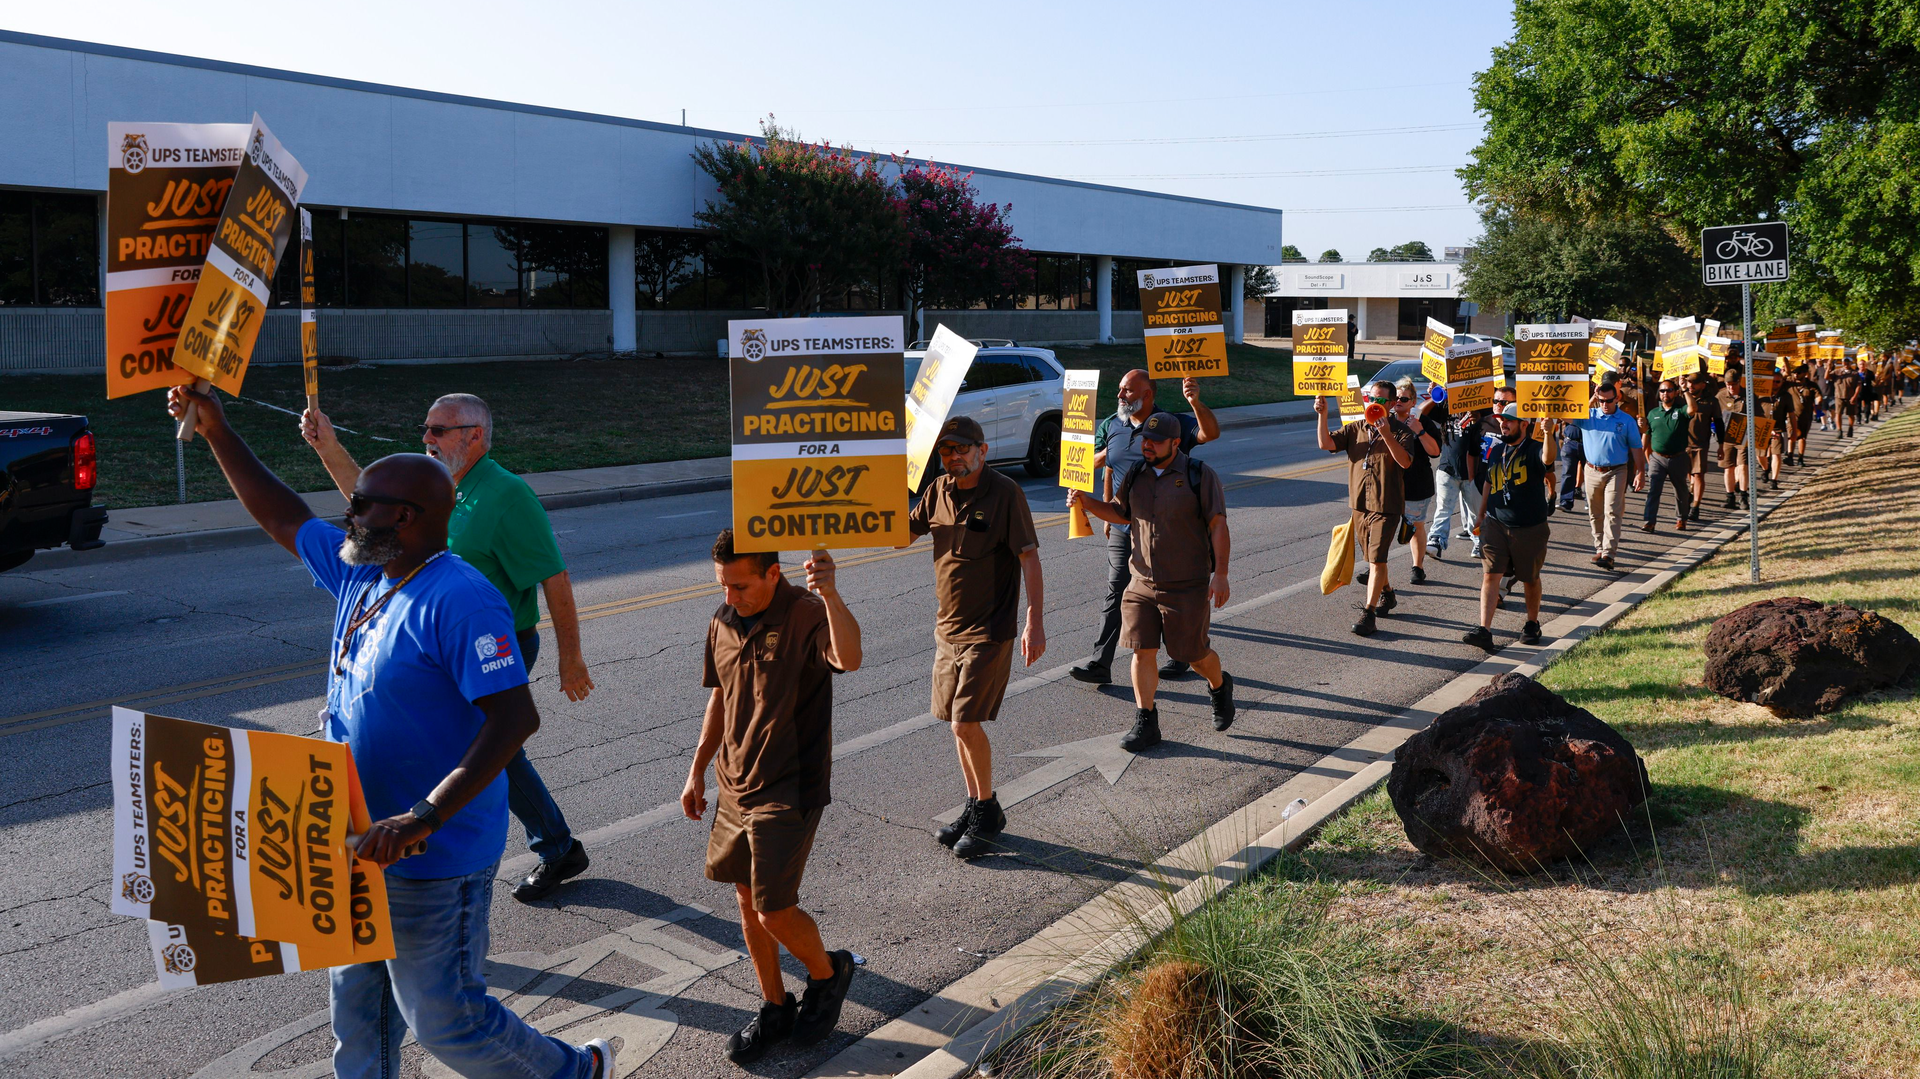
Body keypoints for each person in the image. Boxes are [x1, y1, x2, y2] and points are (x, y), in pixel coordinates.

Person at [168, 386, 615, 1079]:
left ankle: (573, 1072)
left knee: (448, 1020)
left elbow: (514, 717)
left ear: (404, 518)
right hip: (353, 840)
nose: (347, 514)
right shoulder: (364, 573)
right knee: (359, 1017)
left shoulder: (461, 597)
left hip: (434, 855)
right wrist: (220, 431)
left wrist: (422, 815)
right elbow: (283, 514)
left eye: (362, 505)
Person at [304, 395, 595, 904]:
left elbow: (554, 575)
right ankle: (548, 843)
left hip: (492, 644)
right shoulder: (442, 486)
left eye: (438, 430)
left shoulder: (507, 496)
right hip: (438, 647)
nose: (427, 439)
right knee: (481, 753)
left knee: (493, 752)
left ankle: (551, 845)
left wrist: (571, 658)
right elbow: (374, 502)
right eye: (426, 429)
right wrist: (329, 447)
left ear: (474, 435)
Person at [684, 531, 861, 1065]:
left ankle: (829, 975)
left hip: (789, 783)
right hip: (734, 782)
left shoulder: (807, 611)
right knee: (744, 897)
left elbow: (849, 658)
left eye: (741, 586)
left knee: (773, 910)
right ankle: (774, 1006)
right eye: (724, 586)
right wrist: (697, 770)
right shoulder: (722, 620)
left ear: (772, 573)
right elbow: (720, 697)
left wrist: (831, 593)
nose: (731, 596)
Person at [902, 416, 1045, 860]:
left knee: (966, 722)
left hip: (989, 630)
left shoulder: (1005, 493)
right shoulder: (937, 492)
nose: (954, 457)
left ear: (982, 450)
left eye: (962, 449)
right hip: (947, 629)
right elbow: (899, 539)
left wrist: (1034, 621)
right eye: (946, 450)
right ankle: (978, 805)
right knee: (955, 726)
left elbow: (1030, 558)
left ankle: (986, 811)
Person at [1068, 411, 1235, 753]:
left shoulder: (1198, 475)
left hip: (1186, 583)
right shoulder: (1136, 473)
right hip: (1141, 581)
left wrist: (1221, 574)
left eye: (1155, 441)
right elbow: (1121, 513)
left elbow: (1218, 525)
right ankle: (1146, 720)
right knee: (1142, 651)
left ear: (1175, 443)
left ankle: (1219, 686)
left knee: (1192, 654)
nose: (1147, 445)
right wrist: (1087, 503)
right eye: (1145, 438)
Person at [1070, 371, 1218, 685]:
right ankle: (1100, 663)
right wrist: (1107, 511)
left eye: (1128, 390)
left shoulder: (1171, 423)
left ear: (1147, 394)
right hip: (1125, 527)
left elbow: (1210, 433)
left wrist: (1195, 402)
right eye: (1120, 389)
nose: (1120, 395)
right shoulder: (1112, 425)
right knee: (1117, 590)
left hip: (1169, 531)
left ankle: (1180, 657)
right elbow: (1109, 469)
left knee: (1170, 596)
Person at [1315, 381, 1414, 636]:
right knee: (1372, 559)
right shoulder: (1355, 428)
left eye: (1381, 400)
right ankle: (1388, 594)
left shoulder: (1402, 432)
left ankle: (1368, 614)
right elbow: (1326, 443)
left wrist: (1386, 435)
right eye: (1371, 399)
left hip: (1386, 506)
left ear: (1392, 405)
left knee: (1378, 558)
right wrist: (1323, 415)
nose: (1375, 404)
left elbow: (1404, 463)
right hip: (1359, 506)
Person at [1463, 404, 1549, 650]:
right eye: (1502, 420)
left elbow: (1548, 459)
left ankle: (1532, 623)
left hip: (1529, 526)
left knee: (1529, 578)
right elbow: (1490, 481)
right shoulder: (1497, 449)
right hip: (1495, 523)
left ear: (1524, 424)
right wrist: (1480, 515)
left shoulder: (1535, 449)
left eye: (1510, 420)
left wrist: (1550, 432)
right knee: (1490, 575)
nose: (1504, 424)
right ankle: (1484, 630)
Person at [1564, 381, 1645, 571]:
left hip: (1616, 470)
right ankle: (1599, 548)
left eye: (1609, 401)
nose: (1605, 405)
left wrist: (1641, 472)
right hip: (1591, 470)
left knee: (1612, 512)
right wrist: (1592, 399)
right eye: (1601, 401)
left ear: (1616, 398)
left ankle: (1609, 553)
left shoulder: (1626, 420)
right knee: (1595, 512)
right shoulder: (1588, 415)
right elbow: (1564, 415)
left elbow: (1636, 448)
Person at [1390, 377, 1442, 583]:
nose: (1399, 402)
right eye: (1396, 398)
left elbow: (1435, 451)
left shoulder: (1424, 422)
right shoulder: (1386, 419)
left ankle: (1417, 567)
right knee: (1384, 526)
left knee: (1414, 526)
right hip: (1390, 484)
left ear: (1413, 401)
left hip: (1417, 483)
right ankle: (1375, 566)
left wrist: (1419, 430)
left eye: (1404, 398)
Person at [1425, 392, 1483, 561]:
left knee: (1474, 511)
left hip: (1472, 472)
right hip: (1447, 468)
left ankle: (1479, 541)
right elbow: (1422, 412)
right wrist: (1437, 395)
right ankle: (1436, 541)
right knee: (1443, 508)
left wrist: (1478, 418)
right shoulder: (1445, 407)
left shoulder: (1480, 409)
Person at [1641, 379, 1692, 532]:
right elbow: (1646, 434)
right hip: (1657, 458)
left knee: (1681, 491)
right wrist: (1642, 454)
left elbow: (1692, 409)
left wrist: (1685, 390)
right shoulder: (1653, 413)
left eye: (1669, 390)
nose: (1665, 393)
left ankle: (1681, 519)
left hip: (1678, 457)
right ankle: (1649, 521)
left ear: (1675, 392)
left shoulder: (1681, 410)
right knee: (1654, 490)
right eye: (1662, 390)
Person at [1683, 372, 1719, 521]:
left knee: (1698, 475)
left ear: (1703, 385)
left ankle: (1696, 506)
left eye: (1694, 383)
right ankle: (1691, 492)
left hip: (1700, 445)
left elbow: (1719, 423)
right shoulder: (1681, 397)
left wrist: (1721, 445)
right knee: (1688, 474)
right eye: (1689, 382)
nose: (1691, 385)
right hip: (1683, 444)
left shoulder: (1711, 401)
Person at [1717, 364, 1751, 506]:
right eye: (1728, 384)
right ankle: (1730, 496)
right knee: (1728, 467)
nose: (1731, 387)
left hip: (1744, 435)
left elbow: (1759, 414)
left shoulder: (1748, 394)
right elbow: (1715, 415)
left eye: (1734, 384)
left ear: (1739, 382)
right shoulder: (1720, 396)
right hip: (1726, 436)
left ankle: (1743, 496)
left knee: (1742, 465)